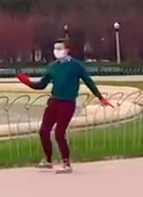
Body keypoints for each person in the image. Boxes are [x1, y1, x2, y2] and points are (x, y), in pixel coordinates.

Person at [16, 38, 112, 174]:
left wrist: (100, 97)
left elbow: (88, 81)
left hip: (67, 103)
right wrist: (27, 82)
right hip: (54, 101)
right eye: (55, 48)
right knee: (44, 131)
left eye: (60, 48)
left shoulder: (75, 66)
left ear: (67, 50)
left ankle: (66, 163)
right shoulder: (52, 67)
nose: (57, 51)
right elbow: (42, 85)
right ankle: (48, 160)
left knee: (59, 133)